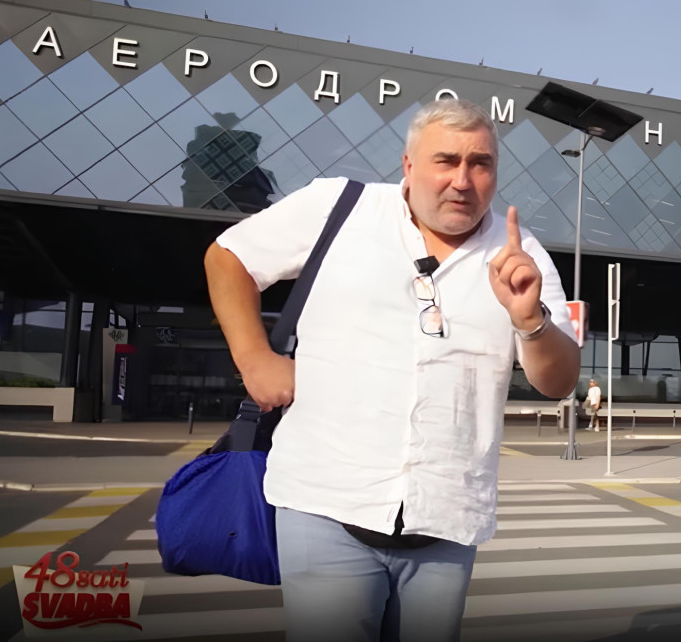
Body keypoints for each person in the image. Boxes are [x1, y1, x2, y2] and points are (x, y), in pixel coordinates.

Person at [204, 99, 581, 642]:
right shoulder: (341, 206)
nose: (462, 180)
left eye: (480, 163)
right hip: (325, 502)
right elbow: (228, 257)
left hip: (447, 517)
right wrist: (255, 359)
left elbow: (558, 381)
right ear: (408, 165)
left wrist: (530, 321)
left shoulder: (521, 255)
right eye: (445, 161)